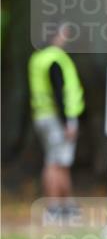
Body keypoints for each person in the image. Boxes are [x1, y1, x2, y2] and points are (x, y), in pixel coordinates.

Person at [28, 24, 85, 211]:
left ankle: (65, 203)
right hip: (57, 118)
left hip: (41, 115)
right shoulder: (55, 59)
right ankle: (54, 205)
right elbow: (59, 92)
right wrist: (67, 121)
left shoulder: (38, 58)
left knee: (61, 161)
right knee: (54, 162)